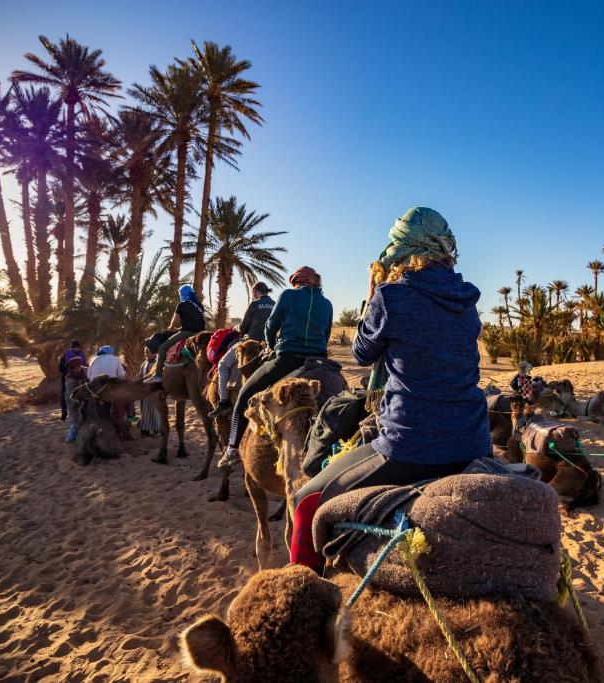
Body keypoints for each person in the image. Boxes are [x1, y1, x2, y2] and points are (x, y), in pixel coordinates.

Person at [289, 207, 489, 569]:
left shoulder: (392, 296)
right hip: (473, 440)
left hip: (410, 443)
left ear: (401, 250)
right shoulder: (467, 301)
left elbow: (362, 353)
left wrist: (373, 293)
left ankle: (303, 593)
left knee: (305, 502)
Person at [220, 266, 333, 464]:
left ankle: (232, 449)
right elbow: (326, 335)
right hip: (320, 360)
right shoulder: (327, 304)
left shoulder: (289, 295)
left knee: (244, 397)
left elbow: (271, 326)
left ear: (297, 282)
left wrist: (272, 346)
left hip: (288, 358)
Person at [146, 285, 206, 383]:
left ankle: (158, 375)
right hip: (201, 332)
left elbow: (173, 322)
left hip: (188, 332)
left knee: (162, 347)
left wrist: (172, 328)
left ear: (182, 294)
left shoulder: (182, 305)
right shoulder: (199, 306)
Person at [208, 331, 245, 418]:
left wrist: (237, 327)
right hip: (269, 343)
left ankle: (224, 402)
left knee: (222, 365)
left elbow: (244, 327)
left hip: (249, 339)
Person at [58, 341, 87, 421]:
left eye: (77, 347)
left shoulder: (82, 355)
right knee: (67, 396)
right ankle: (64, 413)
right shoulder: (65, 356)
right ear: (72, 347)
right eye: (75, 347)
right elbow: (61, 369)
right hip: (68, 377)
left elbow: (85, 365)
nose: (76, 348)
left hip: (81, 377)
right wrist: (69, 373)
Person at [137, 347, 161, 437]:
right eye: (145, 352)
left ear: (154, 353)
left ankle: (156, 429)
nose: (146, 353)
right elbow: (140, 375)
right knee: (144, 410)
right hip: (144, 391)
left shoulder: (157, 363)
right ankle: (145, 429)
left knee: (154, 410)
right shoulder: (144, 363)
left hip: (154, 390)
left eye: (147, 352)